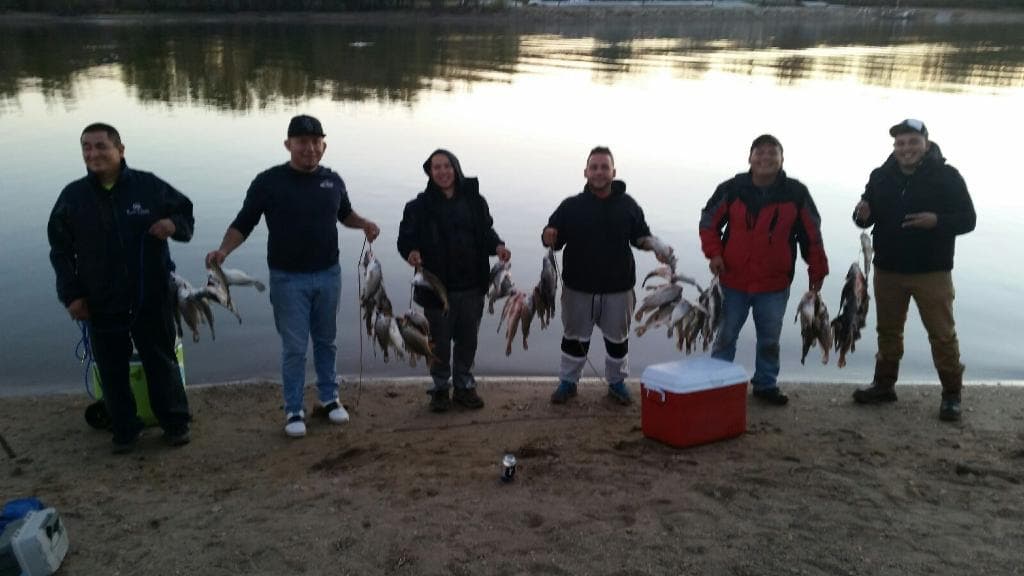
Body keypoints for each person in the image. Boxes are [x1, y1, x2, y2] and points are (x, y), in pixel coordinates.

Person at [205, 114, 379, 438]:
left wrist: (364, 224)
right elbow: (244, 222)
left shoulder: (333, 180)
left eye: (316, 142)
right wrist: (223, 251)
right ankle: (294, 409)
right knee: (295, 347)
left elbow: (345, 214)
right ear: (288, 145)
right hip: (287, 279)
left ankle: (329, 398)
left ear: (324, 146)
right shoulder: (268, 182)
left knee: (326, 341)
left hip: (329, 274)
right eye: (302, 142)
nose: (309, 148)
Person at [48, 123, 194, 453]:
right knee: (111, 368)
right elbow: (59, 251)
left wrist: (173, 225)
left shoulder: (148, 186)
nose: (93, 153)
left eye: (101, 146)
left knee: (160, 359)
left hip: (150, 294)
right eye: (86, 147)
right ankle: (125, 429)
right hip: (99, 299)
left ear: (120, 150)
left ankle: (175, 423)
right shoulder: (73, 197)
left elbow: (185, 213)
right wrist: (71, 295)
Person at [852, 119, 976, 422]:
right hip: (887, 269)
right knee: (887, 331)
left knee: (942, 335)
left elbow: (968, 219)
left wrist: (937, 221)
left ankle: (951, 394)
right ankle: (884, 385)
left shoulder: (948, 176)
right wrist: (861, 214)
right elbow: (865, 217)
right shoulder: (880, 176)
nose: (906, 148)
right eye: (900, 143)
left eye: (912, 142)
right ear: (895, 147)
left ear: (926, 143)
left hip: (932, 272)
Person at [699, 134, 829, 406]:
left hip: (774, 284)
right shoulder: (732, 188)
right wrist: (714, 253)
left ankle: (766, 384)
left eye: (772, 153)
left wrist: (817, 271)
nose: (765, 157)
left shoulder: (796, 193)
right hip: (732, 280)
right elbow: (709, 222)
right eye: (759, 152)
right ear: (750, 158)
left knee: (770, 339)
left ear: (782, 159)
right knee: (725, 336)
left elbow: (812, 234)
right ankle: (717, 383)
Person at [543, 146, 673, 406]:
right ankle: (568, 382)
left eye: (604, 167)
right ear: (585, 172)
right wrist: (548, 235)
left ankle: (616, 383)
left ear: (614, 172)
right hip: (578, 288)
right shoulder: (571, 206)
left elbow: (641, 237)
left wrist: (656, 247)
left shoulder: (628, 205)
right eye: (594, 167)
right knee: (573, 339)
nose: (599, 172)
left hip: (618, 288)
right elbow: (553, 239)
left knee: (618, 341)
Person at [397, 149, 511, 412]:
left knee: (467, 340)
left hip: (472, 286)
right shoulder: (417, 206)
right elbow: (405, 240)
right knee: (437, 341)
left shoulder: (475, 201)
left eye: (447, 166)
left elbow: (486, 232)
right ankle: (440, 388)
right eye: (436, 167)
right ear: (430, 172)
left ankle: (464, 385)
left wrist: (498, 246)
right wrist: (411, 253)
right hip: (435, 289)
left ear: (456, 168)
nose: (442, 172)